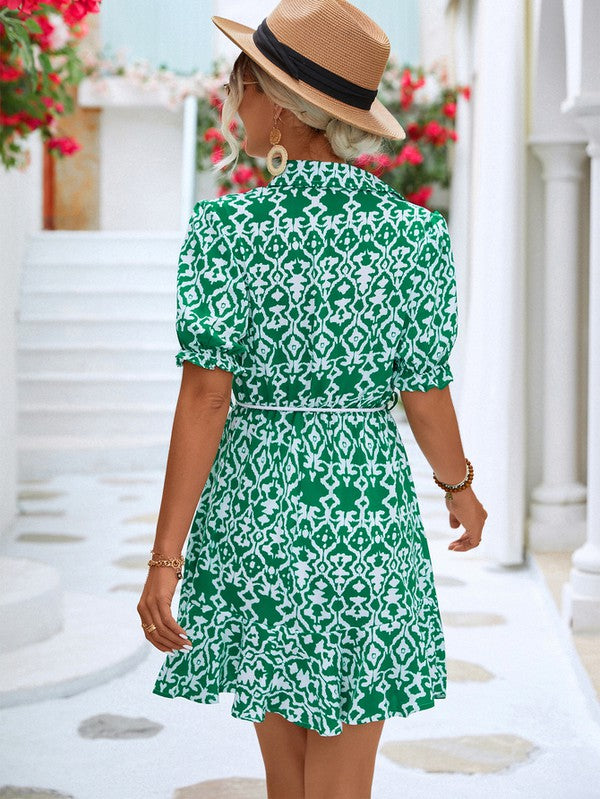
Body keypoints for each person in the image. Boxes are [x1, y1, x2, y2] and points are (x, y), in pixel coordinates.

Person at [137, 1, 488, 797]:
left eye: (242, 85)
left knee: (287, 780)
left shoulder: (225, 230)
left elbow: (203, 398)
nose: (234, 102)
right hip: (363, 511)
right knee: (340, 779)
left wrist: (166, 557)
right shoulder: (414, 236)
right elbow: (425, 393)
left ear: (282, 108)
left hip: (255, 511)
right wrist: (460, 487)